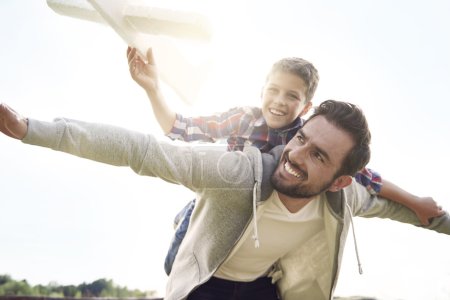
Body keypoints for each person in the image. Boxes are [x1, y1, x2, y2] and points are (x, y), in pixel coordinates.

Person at [0, 100, 448, 300]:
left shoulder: (343, 200)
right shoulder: (242, 172)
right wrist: (31, 129)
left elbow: (408, 214)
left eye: (317, 156)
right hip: (206, 283)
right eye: (302, 140)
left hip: (260, 288)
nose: (295, 157)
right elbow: (145, 151)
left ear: (338, 180)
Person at [126, 47, 444, 274]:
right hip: (219, 211)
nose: (279, 101)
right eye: (273, 90)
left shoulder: (308, 137)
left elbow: (367, 179)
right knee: (175, 266)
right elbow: (179, 128)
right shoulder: (243, 119)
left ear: (306, 106)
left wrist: (415, 202)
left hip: (266, 226)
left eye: (292, 96)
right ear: (262, 90)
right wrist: (153, 89)